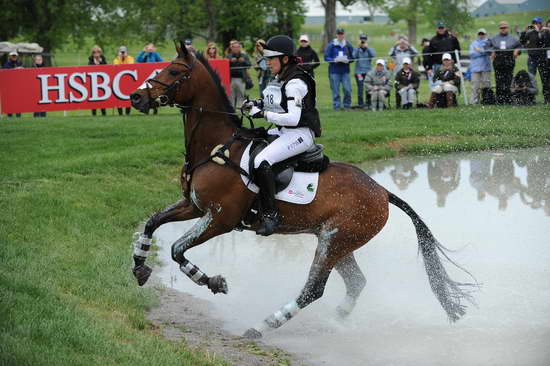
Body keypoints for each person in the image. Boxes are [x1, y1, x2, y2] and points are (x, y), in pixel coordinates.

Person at [242, 35, 321, 236]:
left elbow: (293, 118)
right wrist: (257, 104)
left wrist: (263, 114)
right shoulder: (283, 77)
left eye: (271, 59)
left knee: (262, 161)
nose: (267, 63)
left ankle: (270, 215)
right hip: (284, 131)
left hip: (300, 134)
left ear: (285, 59)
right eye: (266, 59)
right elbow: (276, 102)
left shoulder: (295, 82)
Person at [487, 21, 521, 105]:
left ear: (508, 28)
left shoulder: (513, 38)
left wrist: (517, 51)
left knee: (508, 80)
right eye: (501, 28)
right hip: (498, 60)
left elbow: (519, 46)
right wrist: (491, 52)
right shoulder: (494, 38)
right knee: (499, 80)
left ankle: (508, 99)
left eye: (505, 27)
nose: (503, 29)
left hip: (509, 60)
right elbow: (487, 46)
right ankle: (500, 100)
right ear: (499, 29)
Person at [324, 28, 354, 110]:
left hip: (345, 71)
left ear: (344, 34)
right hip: (334, 71)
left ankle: (347, 106)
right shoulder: (331, 44)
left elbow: (353, 57)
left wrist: (348, 60)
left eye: (342, 34)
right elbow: (326, 57)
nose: (340, 35)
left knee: (347, 89)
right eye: (339, 34)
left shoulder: (348, 44)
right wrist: (333, 60)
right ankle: (336, 106)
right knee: (335, 91)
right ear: (336, 35)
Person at [352, 34, 376, 108]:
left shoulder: (370, 48)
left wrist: (367, 48)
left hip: (368, 71)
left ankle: (368, 102)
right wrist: (358, 47)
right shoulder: (356, 49)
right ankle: (360, 103)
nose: (363, 40)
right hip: (359, 71)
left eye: (364, 39)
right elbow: (354, 56)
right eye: (361, 39)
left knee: (368, 87)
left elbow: (373, 55)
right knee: (360, 88)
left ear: (366, 40)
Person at [469, 28, 492, 104]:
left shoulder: (489, 42)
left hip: (486, 67)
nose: (481, 35)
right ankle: (474, 102)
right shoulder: (473, 43)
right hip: (475, 68)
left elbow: (488, 52)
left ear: (485, 34)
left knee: (486, 85)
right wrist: (483, 52)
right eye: (480, 34)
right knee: (475, 86)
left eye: (483, 34)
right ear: (478, 34)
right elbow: (472, 54)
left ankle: (487, 100)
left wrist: (479, 50)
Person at [226, 40, 251, 109]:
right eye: (234, 47)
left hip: (241, 79)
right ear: (232, 48)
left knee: (241, 95)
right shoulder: (228, 56)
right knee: (231, 95)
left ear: (240, 48)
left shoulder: (244, 56)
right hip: (231, 79)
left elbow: (249, 65)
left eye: (238, 47)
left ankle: (240, 109)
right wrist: (230, 61)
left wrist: (244, 61)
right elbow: (224, 66)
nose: (236, 48)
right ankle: (231, 109)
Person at [113, 46, 134, 115]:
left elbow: (130, 66)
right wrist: (120, 58)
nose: (122, 53)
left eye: (124, 51)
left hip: (128, 80)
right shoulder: (116, 59)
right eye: (121, 51)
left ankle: (127, 113)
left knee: (128, 97)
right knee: (119, 98)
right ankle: (120, 113)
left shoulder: (130, 58)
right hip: (119, 82)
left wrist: (125, 58)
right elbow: (116, 67)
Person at [88, 46, 107, 116]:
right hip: (93, 82)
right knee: (93, 99)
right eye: (94, 52)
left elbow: (106, 67)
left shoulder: (103, 59)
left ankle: (104, 113)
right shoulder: (90, 60)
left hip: (103, 82)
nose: (96, 54)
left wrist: (100, 61)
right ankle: (94, 114)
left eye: (98, 52)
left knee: (102, 98)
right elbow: (89, 68)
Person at [3, 51, 23, 117]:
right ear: (10, 56)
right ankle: (9, 116)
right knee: (10, 102)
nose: (14, 57)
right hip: (9, 86)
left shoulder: (19, 63)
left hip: (18, 85)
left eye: (15, 56)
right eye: (13, 56)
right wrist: (15, 69)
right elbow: (6, 72)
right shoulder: (7, 64)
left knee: (18, 101)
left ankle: (18, 116)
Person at [541, 19, 550, 104]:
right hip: (545, 60)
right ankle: (547, 99)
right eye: (548, 26)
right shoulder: (544, 35)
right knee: (545, 80)